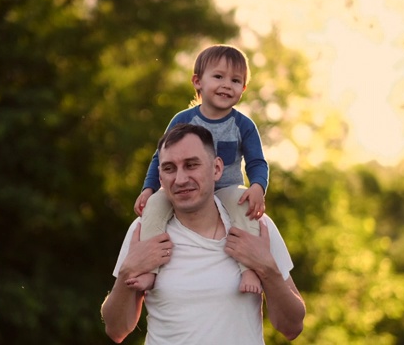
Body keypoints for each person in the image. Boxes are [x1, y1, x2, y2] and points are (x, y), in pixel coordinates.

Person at [101, 124, 305, 344]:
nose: (180, 179)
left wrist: (267, 268)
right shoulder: (144, 231)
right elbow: (116, 330)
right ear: (160, 177)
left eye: (191, 165)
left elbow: (292, 327)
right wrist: (127, 272)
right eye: (169, 168)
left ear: (216, 169)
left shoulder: (255, 225)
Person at [132, 44, 268, 293]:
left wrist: (258, 186)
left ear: (243, 89)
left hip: (225, 189)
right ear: (197, 82)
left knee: (244, 206)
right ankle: (148, 272)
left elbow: (257, 162)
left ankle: (249, 269)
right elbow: (158, 159)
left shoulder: (243, 125)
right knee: (154, 208)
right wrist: (148, 188)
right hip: (184, 189)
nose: (227, 84)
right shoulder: (183, 120)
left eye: (236, 80)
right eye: (218, 77)